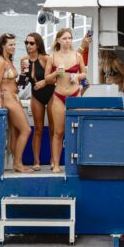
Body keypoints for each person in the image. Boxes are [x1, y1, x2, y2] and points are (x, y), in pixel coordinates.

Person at [44, 28, 89, 173]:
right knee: (58, 132)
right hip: (59, 96)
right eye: (64, 38)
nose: (67, 41)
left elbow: (84, 73)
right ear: (58, 40)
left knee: (78, 130)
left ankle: (79, 163)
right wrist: (56, 73)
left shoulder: (77, 56)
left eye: (69, 38)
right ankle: (56, 164)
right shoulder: (52, 57)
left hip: (75, 94)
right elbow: (47, 79)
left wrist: (77, 77)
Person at [0, 33, 32, 173]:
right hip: (7, 98)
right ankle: (17, 163)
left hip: (15, 97)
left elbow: (10, 80)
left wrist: (21, 77)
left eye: (15, 44)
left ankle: (17, 162)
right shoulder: (0, 62)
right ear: (3, 45)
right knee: (26, 130)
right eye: (10, 44)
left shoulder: (8, 60)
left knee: (15, 132)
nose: (13, 47)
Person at [20, 32, 52, 171]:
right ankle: (36, 161)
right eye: (26, 43)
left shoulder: (45, 58)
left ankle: (53, 160)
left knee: (53, 129)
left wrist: (44, 83)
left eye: (31, 43)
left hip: (51, 93)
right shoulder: (24, 60)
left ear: (38, 44)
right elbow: (23, 81)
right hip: (36, 95)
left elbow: (55, 78)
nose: (28, 46)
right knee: (38, 129)